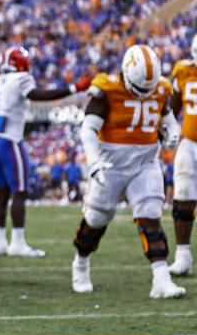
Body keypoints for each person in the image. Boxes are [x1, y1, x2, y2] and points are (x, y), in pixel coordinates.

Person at [71, 45, 185, 298]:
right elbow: (88, 129)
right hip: (110, 166)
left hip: (145, 162)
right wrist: (94, 162)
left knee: (151, 216)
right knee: (97, 219)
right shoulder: (108, 90)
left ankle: (161, 279)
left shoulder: (160, 87)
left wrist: (173, 130)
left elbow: (166, 115)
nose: (146, 92)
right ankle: (80, 264)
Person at [0, 46, 89, 257]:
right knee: (20, 191)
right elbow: (39, 95)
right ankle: (18, 244)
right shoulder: (19, 79)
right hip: (12, 140)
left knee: (3, 193)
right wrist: (73, 88)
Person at [167, 34, 197, 277]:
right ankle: (183, 255)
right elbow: (174, 105)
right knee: (183, 196)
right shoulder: (184, 72)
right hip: (190, 144)